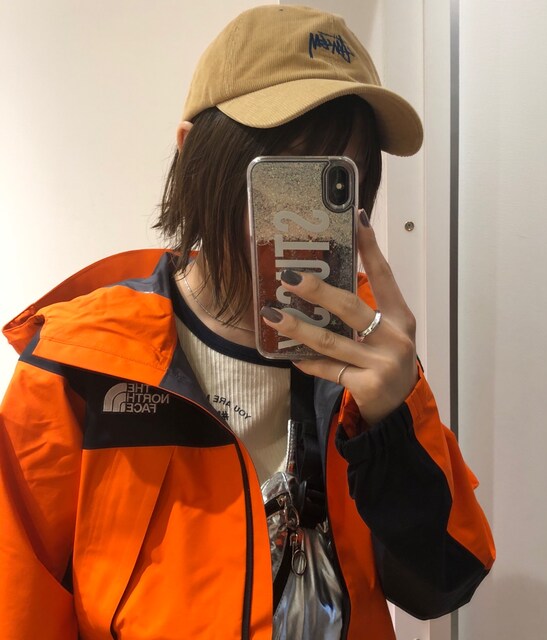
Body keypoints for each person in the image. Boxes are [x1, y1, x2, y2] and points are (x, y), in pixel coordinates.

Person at [0, 5, 495, 639]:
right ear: (193, 155)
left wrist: (390, 428)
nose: (302, 223)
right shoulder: (77, 369)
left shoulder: (370, 353)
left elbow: (443, 584)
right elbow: (19, 609)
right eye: (283, 174)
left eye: (337, 178)